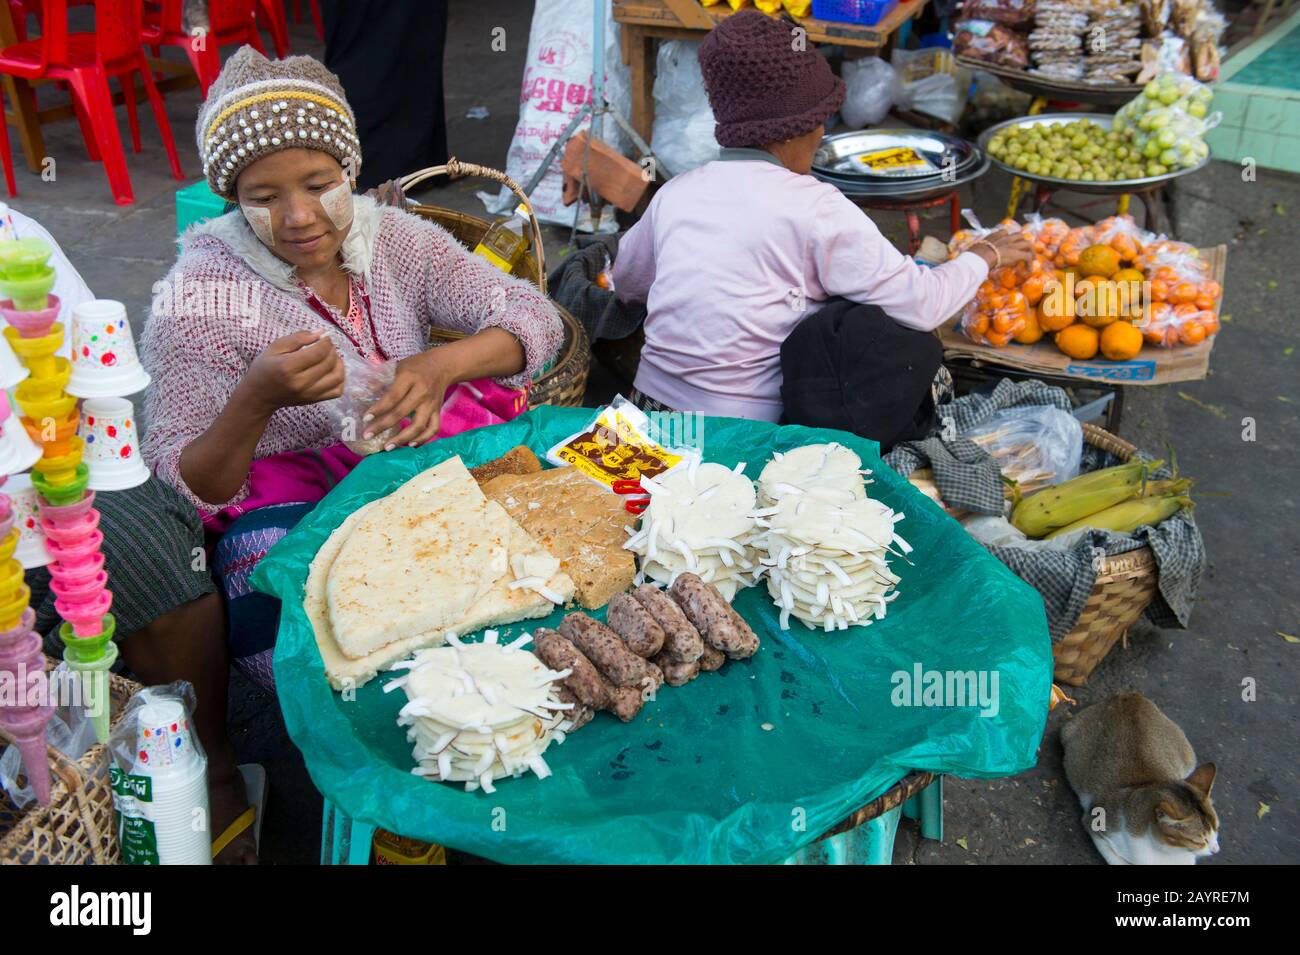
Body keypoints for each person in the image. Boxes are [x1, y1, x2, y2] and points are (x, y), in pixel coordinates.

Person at [63, 47, 558, 863]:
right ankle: (389, 780)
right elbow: (182, 489)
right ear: (231, 201)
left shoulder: (394, 237)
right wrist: (256, 398)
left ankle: (462, 739)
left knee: (498, 587)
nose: (299, 216)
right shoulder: (201, 296)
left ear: (351, 172)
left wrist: (439, 365)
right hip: (283, 499)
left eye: (320, 182)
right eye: (264, 197)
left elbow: (530, 321)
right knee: (314, 640)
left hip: (401, 460)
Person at [612, 11, 1032, 433]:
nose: (822, 134)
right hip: (740, 431)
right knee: (902, 341)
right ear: (792, 132)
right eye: (820, 121)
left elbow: (628, 285)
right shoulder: (817, 208)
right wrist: (985, 254)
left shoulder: (676, 193)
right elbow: (924, 304)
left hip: (646, 415)